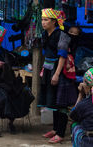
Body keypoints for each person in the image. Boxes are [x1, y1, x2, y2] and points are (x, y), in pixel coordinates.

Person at [38, 8, 77, 143]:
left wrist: (56, 74)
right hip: (49, 69)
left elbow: (62, 56)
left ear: (54, 22)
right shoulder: (44, 34)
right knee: (53, 101)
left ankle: (60, 133)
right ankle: (55, 129)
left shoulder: (62, 35)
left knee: (61, 102)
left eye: (46, 20)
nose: (43, 22)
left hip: (60, 71)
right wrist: (44, 69)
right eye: (42, 19)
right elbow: (46, 53)